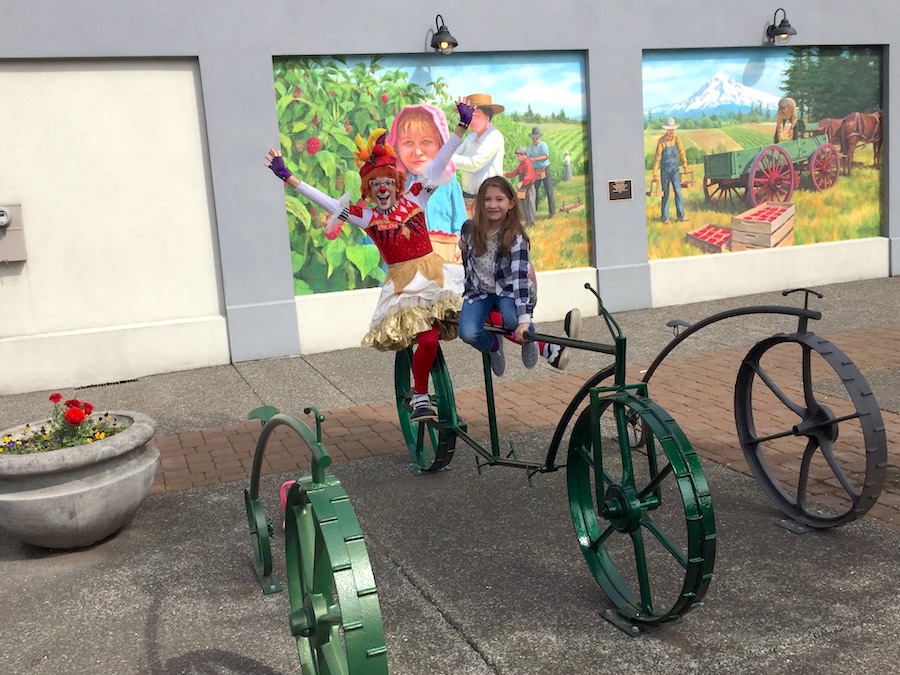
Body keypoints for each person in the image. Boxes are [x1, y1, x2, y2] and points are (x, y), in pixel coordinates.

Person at [264, 100, 474, 421]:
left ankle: (526, 342)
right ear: (368, 189)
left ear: (396, 183)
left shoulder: (417, 194)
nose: (382, 189)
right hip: (404, 286)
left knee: (476, 310)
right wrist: (289, 178)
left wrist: (462, 126)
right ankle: (419, 397)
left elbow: (439, 161)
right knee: (428, 339)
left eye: (387, 182)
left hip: (435, 273)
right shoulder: (367, 217)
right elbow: (327, 202)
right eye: (375, 185)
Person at [457, 176, 580, 375]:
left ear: (511, 203)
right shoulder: (469, 229)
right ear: (480, 202)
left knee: (514, 321)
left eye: (499, 199)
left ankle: (531, 338)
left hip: (507, 290)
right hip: (479, 292)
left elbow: (520, 278)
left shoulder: (516, 237)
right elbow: (464, 247)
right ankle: (493, 347)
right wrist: (462, 247)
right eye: (487, 199)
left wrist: (525, 320)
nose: (492, 205)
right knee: (467, 333)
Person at [386, 104, 467, 236]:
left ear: (440, 145)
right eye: (408, 143)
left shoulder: (449, 182)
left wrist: (459, 244)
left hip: (445, 253)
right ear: (397, 147)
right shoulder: (393, 186)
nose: (417, 152)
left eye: (426, 142)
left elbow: (462, 225)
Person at [451, 93, 505, 216]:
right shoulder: (470, 138)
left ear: (487, 118)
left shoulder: (494, 137)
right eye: (469, 116)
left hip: (489, 199)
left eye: (476, 116)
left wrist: (447, 158)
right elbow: (456, 153)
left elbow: (474, 164)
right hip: (468, 198)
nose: (471, 120)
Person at [651, 118, 690, 224]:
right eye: (669, 129)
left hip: (675, 170)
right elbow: (657, 158)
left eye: (672, 129)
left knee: (678, 191)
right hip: (665, 171)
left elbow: (682, 152)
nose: (671, 132)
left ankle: (681, 215)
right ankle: (665, 217)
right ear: (666, 130)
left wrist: (685, 166)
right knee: (665, 192)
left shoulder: (677, 139)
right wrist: (654, 173)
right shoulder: (661, 141)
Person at [526, 126, 555, 217]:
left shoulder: (543, 145)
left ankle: (552, 212)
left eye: (536, 137)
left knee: (549, 190)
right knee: (534, 191)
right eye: (533, 138)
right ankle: (534, 212)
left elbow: (545, 156)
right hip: (535, 171)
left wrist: (534, 159)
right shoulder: (530, 147)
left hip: (544, 169)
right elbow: (527, 157)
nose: (535, 139)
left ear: (539, 137)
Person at [504, 146, 536, 228]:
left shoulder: (527, 163)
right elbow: (514, 173)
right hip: (523, 189)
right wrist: (506, 174)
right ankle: (527, 221)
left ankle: (532, 222)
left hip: (529, 188)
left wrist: (522, 182)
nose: (517, 158)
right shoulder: (521, 165)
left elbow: (529, 176)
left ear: (523, 155)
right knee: (524, 204)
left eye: (518, 156)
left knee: (530, 204)